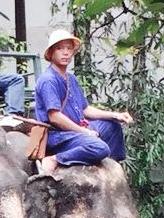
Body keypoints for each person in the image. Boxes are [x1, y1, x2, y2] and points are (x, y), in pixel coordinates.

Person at [33, 28, 132, 171]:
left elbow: (85, 109)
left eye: (69, 48)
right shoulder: (48, 80)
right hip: (58, 135)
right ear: (51, 53)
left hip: (78, 127)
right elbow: (54, 117)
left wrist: (115, 115)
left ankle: (110, 167)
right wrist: (84, 132)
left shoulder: (71, 78)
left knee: (113, 125)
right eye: (60, 48)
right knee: (99, 147)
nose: (65, 52)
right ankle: (55, 159)